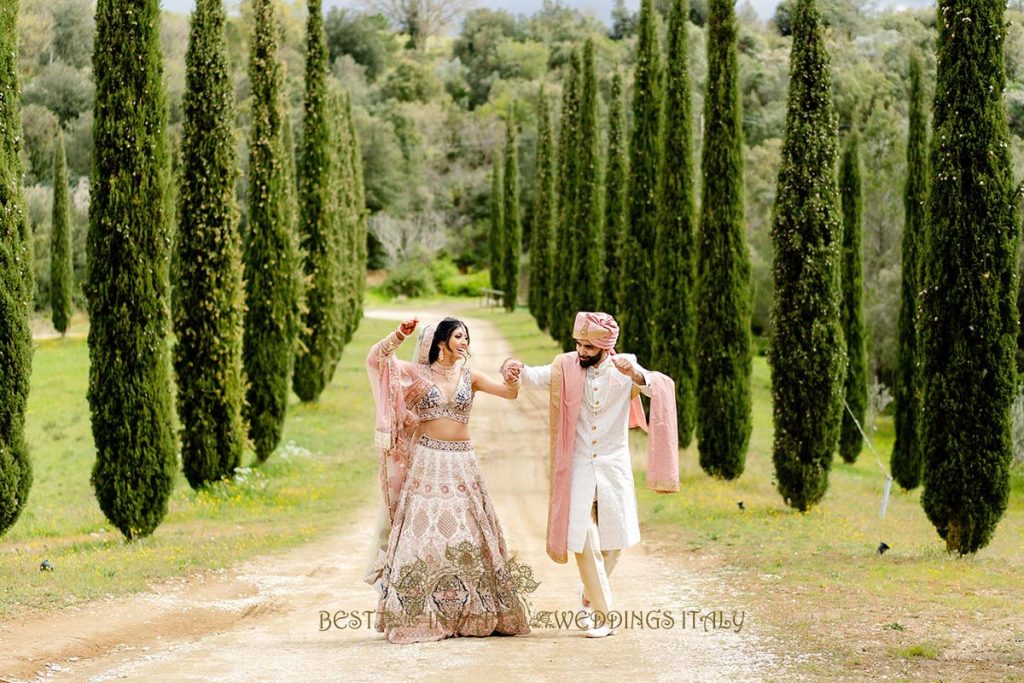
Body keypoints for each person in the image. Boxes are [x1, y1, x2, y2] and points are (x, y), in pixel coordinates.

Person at [503, 311, 679, 638]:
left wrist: (638, 375)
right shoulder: (566, 365)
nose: (581, 350)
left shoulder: (625, 367)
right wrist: (515, 369)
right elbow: (536, 376)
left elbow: (660, 388)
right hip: (578, 466)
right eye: (578, 343)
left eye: (588, 346)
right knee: (583, 539)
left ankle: (588, 595)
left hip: (614, 466)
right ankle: (604, 615)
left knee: (615, 543)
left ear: (605, 346)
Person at [365, 316, 531, 643]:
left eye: (466, 337)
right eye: (459, 336)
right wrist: (399, 335)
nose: (464, 342)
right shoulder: (416, 374)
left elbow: (510, 394)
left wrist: (513, 376)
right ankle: (421, 615)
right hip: (427, 462)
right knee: (424, 539)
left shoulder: (472, 376)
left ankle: (472, 614)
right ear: (442, 341)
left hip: (463, 464)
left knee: (468, 535)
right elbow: (376, 360)